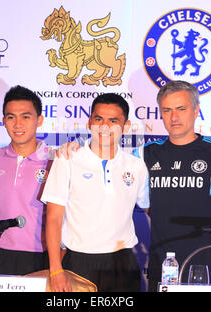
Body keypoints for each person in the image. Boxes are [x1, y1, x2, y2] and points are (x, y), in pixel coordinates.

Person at [135, 80, 211, 292]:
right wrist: (71, 151)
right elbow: (109, 164)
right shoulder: (145, 154)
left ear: (196, 110)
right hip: (164, 268)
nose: (174, 117)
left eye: (181, 109)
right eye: (167, 110)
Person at [41, 93, 149, 292]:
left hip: (123, 264)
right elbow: (54, 218)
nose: (104, 126)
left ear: (125, 126)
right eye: (99, 119)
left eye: (113, 120)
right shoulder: (67, 159)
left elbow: (151, 209)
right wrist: (56, 270)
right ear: (90, 122)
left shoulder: (137, 167)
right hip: (79, 263)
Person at [0, 85, 52, 275]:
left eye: (26, 117)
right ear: (4, 121)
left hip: (41, 256)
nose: (18, 124)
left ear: (39, 120)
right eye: (11, 117)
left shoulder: (55, 161)